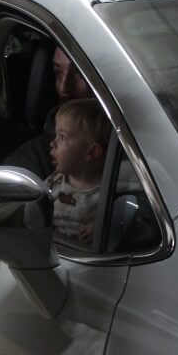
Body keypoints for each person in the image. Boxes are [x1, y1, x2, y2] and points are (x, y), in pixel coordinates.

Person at [4, 46, 92, 178]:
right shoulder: (29, 164)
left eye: (79, 73)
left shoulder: (127, 141)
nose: (64, 87)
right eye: (58, 73)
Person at [47, 98, 111, 245]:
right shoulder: (55, 180)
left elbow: (135, 216)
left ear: (91, 152)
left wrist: (105, 225)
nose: (52, 143)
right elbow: (35, 206)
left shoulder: (114, 188)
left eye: (62, 137)